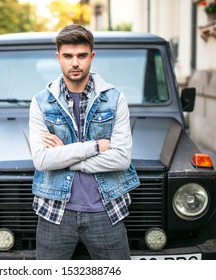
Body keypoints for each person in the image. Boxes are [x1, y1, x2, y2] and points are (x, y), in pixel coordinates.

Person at [29, 24, 140, 260]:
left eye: (81, 56)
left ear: (92, 56)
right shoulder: (40, 103)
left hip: (106, 209)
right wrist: (94, 147)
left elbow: (121, 158)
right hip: (54, 211)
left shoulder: (115, 99)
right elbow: (41, 160)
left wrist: (65, 158)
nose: (75, 63)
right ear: (58, 58)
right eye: (68, 56)